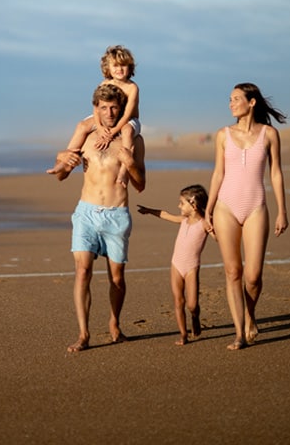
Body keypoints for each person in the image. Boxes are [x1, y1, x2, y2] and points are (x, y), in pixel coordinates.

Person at [49, 83, 146, 353]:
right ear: (97, 109)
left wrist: (130, 164)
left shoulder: (133, 140)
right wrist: (64, 161)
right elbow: (61, 174)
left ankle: (114, 323)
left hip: (117, 214)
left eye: (115, 107)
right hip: (86, 213)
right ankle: (83, 334)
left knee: (116, 278)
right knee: (82, 272)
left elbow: (141, 184)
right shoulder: (87, 136)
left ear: (122, 108)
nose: (110, 112)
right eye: (104, 107)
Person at [205, 82, 288, 350]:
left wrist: (282, 211)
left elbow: (275, 173)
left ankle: (250, 315)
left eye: (236, 99)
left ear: (251, 102)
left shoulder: (270, 134)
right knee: (233, 272)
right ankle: (240, 333)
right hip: (225, 207)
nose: (230, 103)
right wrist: (208, 209)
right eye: (229, 99)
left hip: (256, 207)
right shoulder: (222, 134)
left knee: (253, 276)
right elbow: (218, 173)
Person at [47, 45, 141, 184]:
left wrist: (113, 132)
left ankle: (123, 169)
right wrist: (100, 127)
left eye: (123, 65)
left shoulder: (131, 87)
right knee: (82, 125)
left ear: (130, 67)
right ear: (107, 67)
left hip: (128, 120)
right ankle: (64, 162)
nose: (119, 69)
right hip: (106, 118)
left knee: (126, 130)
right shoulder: (104, 83)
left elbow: (127, 114)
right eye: (115, 65)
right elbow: (96, 109)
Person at [137, 185, 212, 346]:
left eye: (181, 203)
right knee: (178, 301)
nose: (179, 206)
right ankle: (183, 334)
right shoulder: (183, 220)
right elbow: (165, 215)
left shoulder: (204, 224)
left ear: (193, 204)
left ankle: (195, 317)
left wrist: (216, 229)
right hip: (176, 265)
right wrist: (149, 210)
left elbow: (218, 236)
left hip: (191, 267)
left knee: (192, 305)